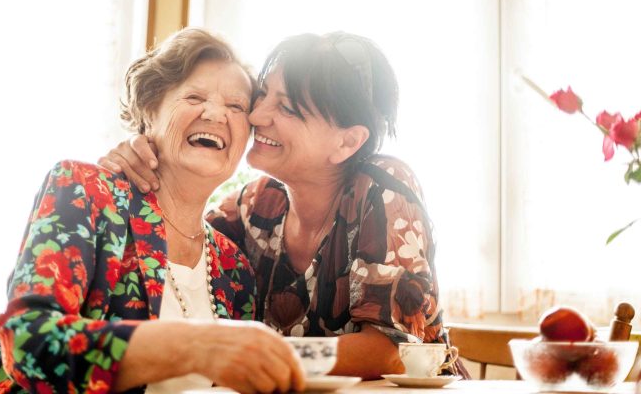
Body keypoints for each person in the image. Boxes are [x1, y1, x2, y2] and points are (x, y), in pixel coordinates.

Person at [101, 31, 469, 379]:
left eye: (288, 108)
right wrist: (145, 154)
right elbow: (179, 234)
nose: (256, 116)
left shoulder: (383, 187)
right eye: (262, 96)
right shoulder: (257, 203)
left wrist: (254, 356)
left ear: (347, 142)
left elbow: (390, 350)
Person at [0, 28, 305, 394]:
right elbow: (27, 341)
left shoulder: (234, 266)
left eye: (236, 107)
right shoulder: (85, 190)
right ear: (149, 111)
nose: (215, 114)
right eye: (194, 96)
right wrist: (192, 346)